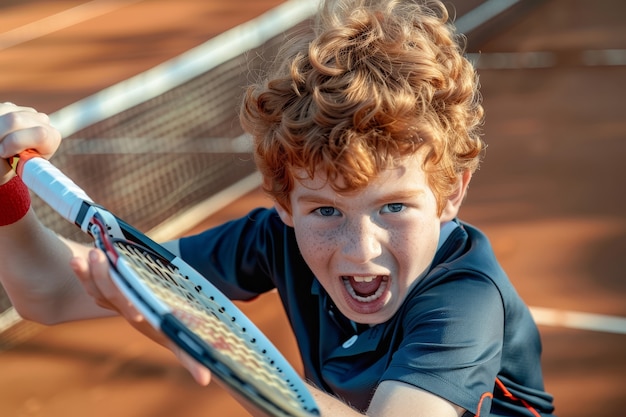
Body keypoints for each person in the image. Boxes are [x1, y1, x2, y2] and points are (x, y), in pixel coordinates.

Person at [0, 0, 556, 415]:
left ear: (451, 192)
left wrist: (221, 346)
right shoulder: (272, 242)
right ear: (285, 203)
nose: (361, 249)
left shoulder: (464, 299)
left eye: (393, 208)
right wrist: (4, 192)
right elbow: (49, 291)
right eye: (326, 212)